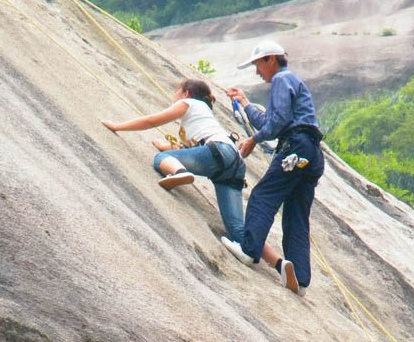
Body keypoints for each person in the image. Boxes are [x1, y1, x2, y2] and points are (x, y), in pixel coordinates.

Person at [224, 40, 325, 294]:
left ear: (270, 59)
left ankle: (249, 251)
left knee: (263, 196)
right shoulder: (292, 82)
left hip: (295, 146)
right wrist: (245, 104)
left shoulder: (282, 79)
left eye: (258, 64)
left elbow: (277, 123)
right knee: (296, 216)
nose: (257, 71)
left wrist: (252, 141)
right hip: (311, 153)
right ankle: (300, 280)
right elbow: (271, 122)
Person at [102, 79, 245, 246]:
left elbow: (151, 121)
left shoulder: (188, 102)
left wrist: (117, 126)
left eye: (177, 90)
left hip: (217, 152)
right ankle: (257, 253)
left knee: (161, 159)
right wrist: (164, 145)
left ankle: (180, 172)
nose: (174, 95)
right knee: (236, 227)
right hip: (234, 163)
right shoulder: (205, 114)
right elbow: (191, 149)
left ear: (186, 93)